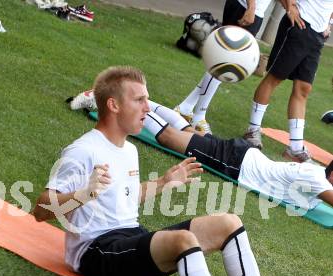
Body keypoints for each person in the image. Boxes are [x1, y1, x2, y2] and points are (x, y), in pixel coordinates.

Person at [35, 66, 316, 276]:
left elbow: (124, 196)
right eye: (139, 100)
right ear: (113, 105)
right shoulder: (82, 150)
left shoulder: (128, 149)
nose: (147, 107)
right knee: (184, 241)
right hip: (96, 252)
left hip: (128, 236)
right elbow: (40, 210)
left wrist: (165, 183)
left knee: (228, 222)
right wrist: (84, 193)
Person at [69, 90, 333, 210]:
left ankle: (142, 102)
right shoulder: (316, 178)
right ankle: (105, 99)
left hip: (243, 156)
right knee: (170, 138)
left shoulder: (316, 175)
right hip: (236, 162)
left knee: (186, 133)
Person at [244, 0, 333, 161]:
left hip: (318, 35)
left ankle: (295, 147)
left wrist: (330, 23)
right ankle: (252, 130)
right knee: (275, 77)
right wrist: (289, 7)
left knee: (304, 88)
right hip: (298, 24)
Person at [175, 0, 273, 133]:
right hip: (245, 8)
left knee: (224, 62)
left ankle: (185, 107)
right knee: (223, 62)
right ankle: (198, 117)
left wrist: (290, 8)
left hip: (251, 10)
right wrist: (251, 8)